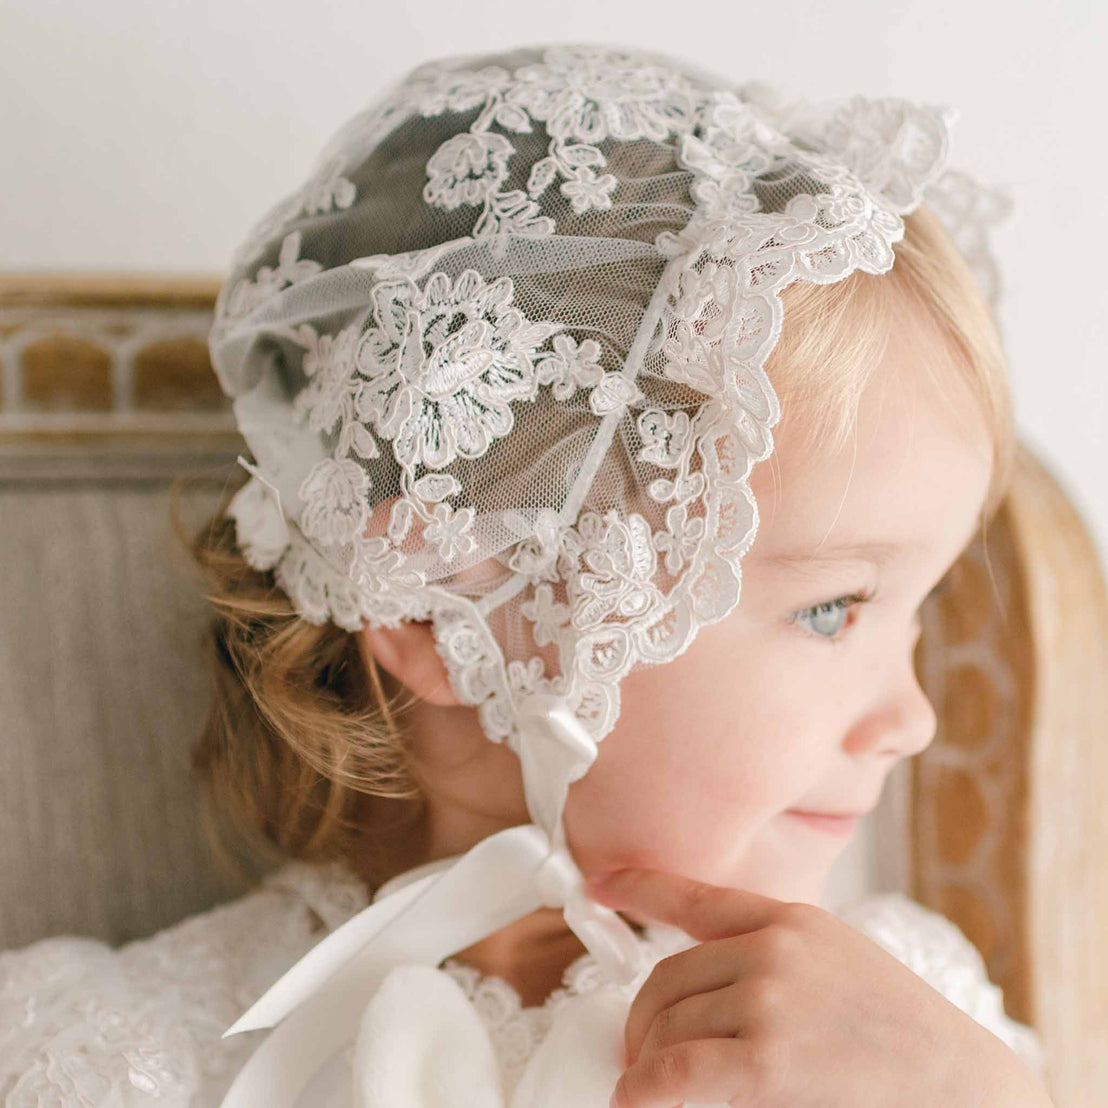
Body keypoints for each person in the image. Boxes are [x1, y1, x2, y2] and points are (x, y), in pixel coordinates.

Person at [0, 42, 1052, 1107]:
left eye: (915, 612)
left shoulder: (907, 1036)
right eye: (833, 608)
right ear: (443, 600)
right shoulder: (129, 1054)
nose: (913, 719)